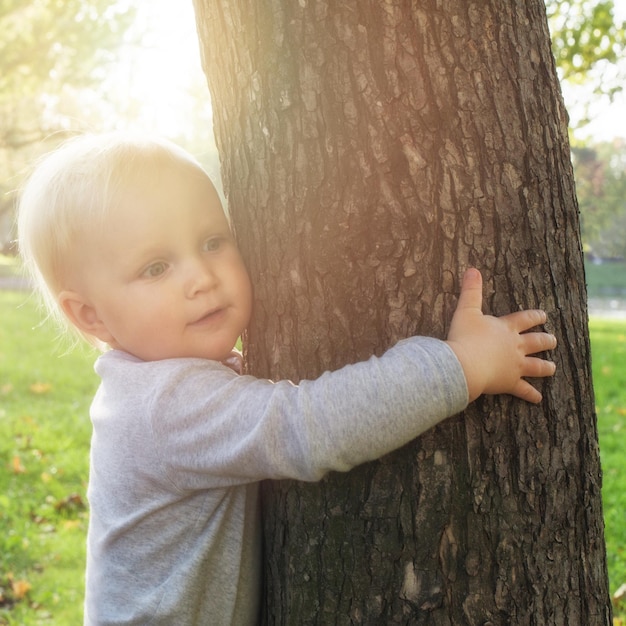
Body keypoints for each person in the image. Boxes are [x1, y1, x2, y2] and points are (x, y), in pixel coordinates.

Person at [17, 132, 557, 625]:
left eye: (212, 241)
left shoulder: (149, 386)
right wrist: (461, 365)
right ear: (90, 316)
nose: (202, 278)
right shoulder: (165, 406)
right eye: (156, 267)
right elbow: (310, 425)